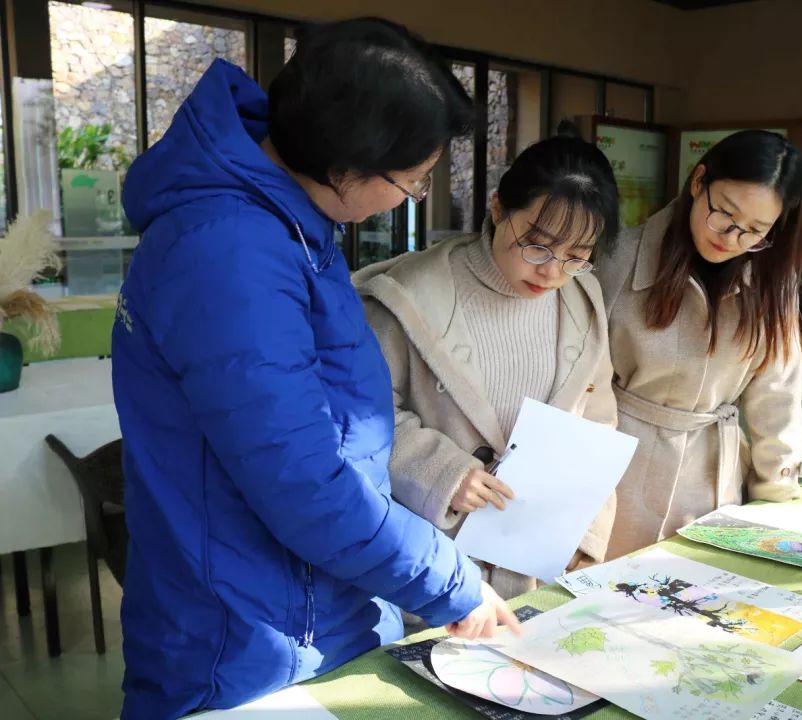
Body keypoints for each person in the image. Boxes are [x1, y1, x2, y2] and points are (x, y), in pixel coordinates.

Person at [112, 18, 518, 719]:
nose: (410, 197)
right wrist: (452, 581)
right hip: (247, 634)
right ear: (343, 169)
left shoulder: (285, 226)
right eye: (413, 181)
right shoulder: (229, 253)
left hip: (300, 601)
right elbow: (301, 479)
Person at [354, 130, 621, 598]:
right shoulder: (409, 295)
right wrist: (441, 473)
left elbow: (598, 424)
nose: (552, 271)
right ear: (498, 208)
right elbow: (361, 413)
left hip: (538, 562)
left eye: (577, 256)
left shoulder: (583, 298)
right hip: (432, 556)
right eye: (537, 245)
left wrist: (586, 535)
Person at [596, 130, 802, 559]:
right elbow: (579, 385)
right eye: (724, 215)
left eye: (755, 231)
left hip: (712, 478)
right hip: (616, 472)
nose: (732, 239)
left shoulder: (772, 283)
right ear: (698, 182)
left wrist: (774, 492)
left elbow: (778, 397)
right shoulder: (616, 259)